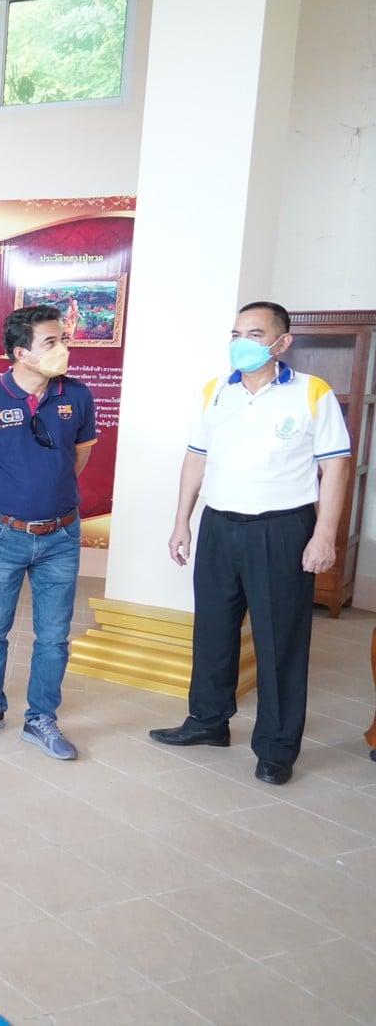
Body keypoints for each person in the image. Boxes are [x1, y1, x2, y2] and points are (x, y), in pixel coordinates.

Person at [151, 301, 350, 785]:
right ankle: (207, 721)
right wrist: (182, 522)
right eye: (236, 333)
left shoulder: (312, 393)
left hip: (281, 530)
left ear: (282, 342)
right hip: (220, 525)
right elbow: (196, 459)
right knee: (213, 629)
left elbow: (336, 466)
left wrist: (324, 535)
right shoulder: (216, 391)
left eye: (255, 334)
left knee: (279, 640)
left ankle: (277, 747)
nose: (242, 342)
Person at [0, 306, 97, 761]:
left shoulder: (77, 395)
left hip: (61, 536)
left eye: (63, 340)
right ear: (21, 353)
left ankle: (41, 719)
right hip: (4, 534)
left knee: (53, 635)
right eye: (51, 342)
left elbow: (79, 456)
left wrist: (47, 491)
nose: (63, 349)